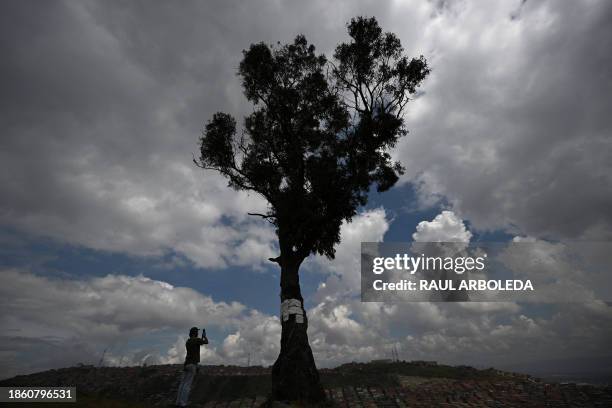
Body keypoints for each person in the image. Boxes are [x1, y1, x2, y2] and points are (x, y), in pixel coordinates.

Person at [176, 326, 208, 407]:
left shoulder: (188, 341)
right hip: (192, 364)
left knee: (182, 384)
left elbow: (198, 344)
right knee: (187, 385)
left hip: (186, 364)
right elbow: (206, 342)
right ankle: (183, 403)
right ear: (195, 333)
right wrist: (204, 336)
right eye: (197, 332)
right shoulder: (196, 340)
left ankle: (178, 402)